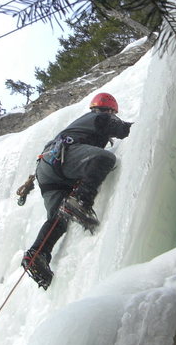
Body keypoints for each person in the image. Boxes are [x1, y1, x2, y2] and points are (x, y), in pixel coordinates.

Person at [20, 92, 132, 288]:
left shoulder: (82, 123)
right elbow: (121, 130)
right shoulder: (101, 117)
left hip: (47, 169)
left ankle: (37, 255)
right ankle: (82, 201)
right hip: (63, 157)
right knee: (104, 158)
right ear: (110, 110)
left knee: (58, 218)